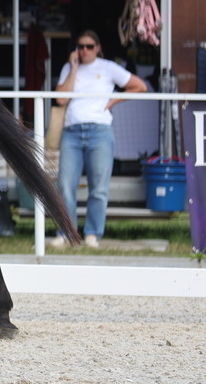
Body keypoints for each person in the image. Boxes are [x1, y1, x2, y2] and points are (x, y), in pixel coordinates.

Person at [50, 29, 146, 249]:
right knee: (65, 184)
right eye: (80, 46)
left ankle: (93, 233)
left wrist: (114, 100)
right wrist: (73, 69)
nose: (84, 51)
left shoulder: (108, 67)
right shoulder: (68, 67)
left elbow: (139, 86)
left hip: (100, 131)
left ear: (98, 48)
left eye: (89, 47)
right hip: (72, 131)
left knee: (99, 187)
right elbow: (60, 98)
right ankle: (67, 232)